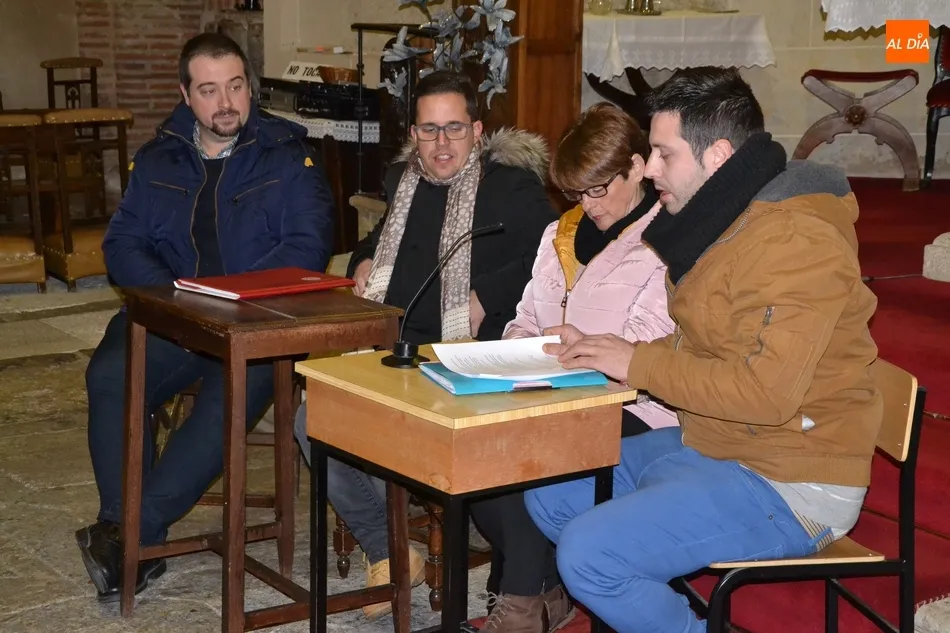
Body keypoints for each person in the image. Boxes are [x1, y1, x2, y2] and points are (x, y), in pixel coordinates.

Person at [525, 66, 883, 633]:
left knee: (590, 555)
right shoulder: (724, 219)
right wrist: (608, 350)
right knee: (551, 491)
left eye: (664, 155)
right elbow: (709, 340)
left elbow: (766, 394)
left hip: (792, 476)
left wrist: (636, 363)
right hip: (719, 441)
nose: (651, 169)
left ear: (716, 155)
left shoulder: (795, 239)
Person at [293, 70, 566, 631]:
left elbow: (552, 258)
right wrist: (362, 261)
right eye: (429, 131)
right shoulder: (402, 180)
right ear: (413, 134)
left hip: (466, 357)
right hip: (396, 348)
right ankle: (388, 549)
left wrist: (486, 295)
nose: (441, 145)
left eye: (454, 130)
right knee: (311, 418)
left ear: (478, 130)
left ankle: (519, 574)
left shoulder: (509, 187)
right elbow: (379, 240)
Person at [77, 32, 335, 603]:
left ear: (251, 87)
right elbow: (123, 245)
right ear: (186, 96)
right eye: (210, 90)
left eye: (236, 87)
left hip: (260, 324)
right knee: (111, 376)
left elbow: (308, 246)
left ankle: (128, 538)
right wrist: (176, 298)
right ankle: (129, 530)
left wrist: (229, 301)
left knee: (229, 399)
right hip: (172, 318)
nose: (226, 103)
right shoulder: (158, 156)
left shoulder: (290, 155)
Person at [503, 101, 678, 439]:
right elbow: (523, 322)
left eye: (598, 188)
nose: (587, 204)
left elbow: (642, 351)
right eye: (577, 192)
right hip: (552, 401)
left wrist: (555, 367)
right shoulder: (558, 234)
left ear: (637, 168)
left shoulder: (666, 241)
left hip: (636, 415)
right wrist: (518, 354)